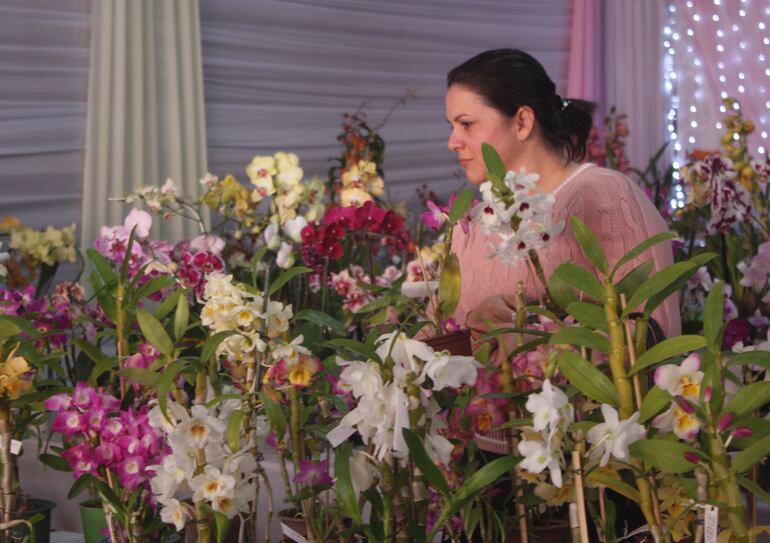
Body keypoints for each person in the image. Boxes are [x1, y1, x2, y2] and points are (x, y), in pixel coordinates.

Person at [445, 49, 681, 452]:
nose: (453, 142)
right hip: (491, 472)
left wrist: (540, 338)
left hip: (592, 467)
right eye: (451, 126)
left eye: (466, 124)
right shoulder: (470, 219)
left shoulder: (602, 196)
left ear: (522, 121)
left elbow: (651, 337)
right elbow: (451, 356)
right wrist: (474, 327)